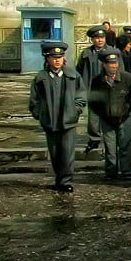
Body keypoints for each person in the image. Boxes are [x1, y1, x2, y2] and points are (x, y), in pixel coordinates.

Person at [29, 42, 86, 193]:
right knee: (55, 153)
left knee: (67, 152)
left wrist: (76, 111)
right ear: (47, 59)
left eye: (60, 57)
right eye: (54, 58)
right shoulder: (41, 78)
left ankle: (65, 181)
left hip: (68, 121)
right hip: (50, 121)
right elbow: (34, 101)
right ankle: (58, 178)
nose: (57, 60)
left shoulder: (73, 75)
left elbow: (81, 96)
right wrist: (40, 114)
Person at [87, 47, 131, 181]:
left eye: (115, 63)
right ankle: (111, 172)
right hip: (106, 119)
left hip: (125, 117)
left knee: (126, 147)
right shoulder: (97, 81)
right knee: (110, 148)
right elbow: (94, 102)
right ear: (104, 65)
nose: (113, 66)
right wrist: (96, 123)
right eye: (110, 63)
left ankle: (127, 171)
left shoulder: (126, 78)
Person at [77, 24, 115, 151]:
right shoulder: (86, 53)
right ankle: (94, 138)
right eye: (97, 38)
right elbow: (79, 70)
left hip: (109, 88)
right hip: (92, 88)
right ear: (92, 39)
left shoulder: (112, 52)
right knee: (93, 116)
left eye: (102, 37)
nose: (100, 40)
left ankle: (110, 137)